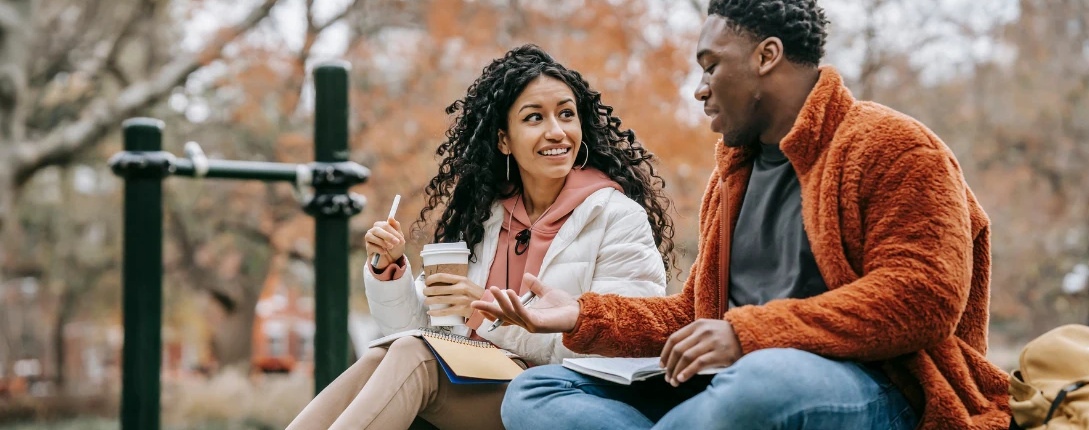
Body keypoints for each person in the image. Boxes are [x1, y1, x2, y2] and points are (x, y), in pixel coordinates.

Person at [474, 1, 1012, 430]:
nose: (700, 88)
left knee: (765, 378)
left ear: (766, 55)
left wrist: (747, 335)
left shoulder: (891, 146)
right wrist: (582, 316)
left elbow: (923, 295)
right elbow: (694, 316)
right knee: (536, 392)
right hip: (729, 389)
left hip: (877, 390)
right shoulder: (733, 175)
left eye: (711, 65)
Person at [285, 44, 677, 430]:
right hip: (474, 378)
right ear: (504, 140)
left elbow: (620, 345)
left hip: (556, 396)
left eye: (566, 114)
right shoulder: (484, 215)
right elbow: (420, 329)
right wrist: (389, 269)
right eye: (534, 118)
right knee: (387, 353)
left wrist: (490, 311)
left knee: (414, 358)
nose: (556, 131)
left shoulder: (616, 217)